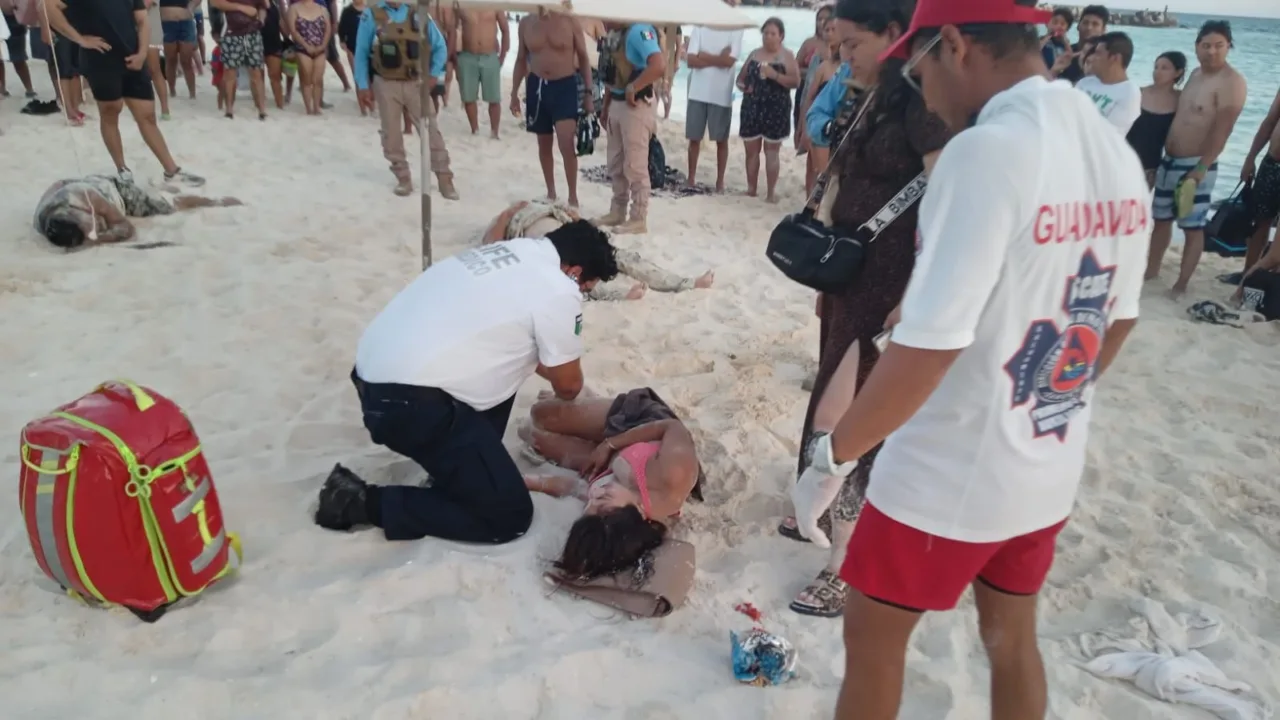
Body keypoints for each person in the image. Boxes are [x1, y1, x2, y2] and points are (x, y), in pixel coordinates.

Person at [798, 1, 1147, 717]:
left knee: (872, 640)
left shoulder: (986, 150)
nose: (919, 92)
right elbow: (1117, 322)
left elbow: (931, 346)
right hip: (1047, 464)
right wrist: (1039, 406)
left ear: (953, 45)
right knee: (1010, 639)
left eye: (917, 69)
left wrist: (832, 459)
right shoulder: (1112, 147)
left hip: (947, 473)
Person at [777, 0, 950, 619]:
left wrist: (917, 290)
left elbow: (947, 201)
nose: (840, 55)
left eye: (851, 43)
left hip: (893, 283)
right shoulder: (864, 91)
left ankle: (846, 560)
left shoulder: (919, 102)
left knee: (856, 417)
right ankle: (817, 510)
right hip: (851, 275)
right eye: (835, 43)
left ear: (892, 36)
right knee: (830, 395)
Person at [313, 221, 621, 545]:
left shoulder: (511, 250)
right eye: (586, 288)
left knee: (514, 359)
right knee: (509, 517)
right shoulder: (558, 288)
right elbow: (568, 387)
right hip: (406, 405)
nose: (582, 294)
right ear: (574, 271)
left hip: (374, 379)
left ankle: (456, 474)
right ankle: (358, 502)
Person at [521, 389, 701, 581]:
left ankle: (583, 414)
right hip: (641, 425)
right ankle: (589, 400)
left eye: (591, 506)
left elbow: (572, 487)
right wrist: (610, 445)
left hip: (609, 460)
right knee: (540, 413)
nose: (596, 496)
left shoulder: (605, 509)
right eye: (603, 502)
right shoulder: (671, 478)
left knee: (529, 433)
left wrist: (524, 481)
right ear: (635, 517)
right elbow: (672, 427)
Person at [43, 0, 204, 185]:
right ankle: (122, 169)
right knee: (110, 112)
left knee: (148, 116)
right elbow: (48, 6)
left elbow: (143, 20)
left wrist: (142, 53)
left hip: (132, 56)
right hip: (100, 59)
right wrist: (79, 39)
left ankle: (171, 170)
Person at [1147, 20, 1247, 298]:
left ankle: (1181, 284)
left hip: (1196, 165)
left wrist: (1202, 167)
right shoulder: (1194, 74)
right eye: (1206, 45)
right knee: (1161, 219)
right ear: (1196, 46)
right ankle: (1151, 271)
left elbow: (1223, 129)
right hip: (1170, 161)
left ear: (1229, 47)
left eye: (1219, 46)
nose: (1212, 52)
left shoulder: (1232, 82)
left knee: (1192, 227)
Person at [481, 199, 714, 301]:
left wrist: (572, 216)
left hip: (570, 236)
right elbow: (490, 245)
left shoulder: (548, 207)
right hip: (551, 244)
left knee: (624, 259)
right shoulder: (515, 219)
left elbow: (582, 230)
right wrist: (507, 215)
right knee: (578, 283)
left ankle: (686, 282)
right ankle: (623, 295)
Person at [353, 0, 458, 199]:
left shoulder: (418, 13)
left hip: (415, 82)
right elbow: (361, 52)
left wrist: (434, 74)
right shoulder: (371, 15)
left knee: (431, 132)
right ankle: (403, 177)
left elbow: (439, 46)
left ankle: (445, 179)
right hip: (385, 83)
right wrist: (363, 85)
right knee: (391, 135)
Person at [511, 11, 594, 209]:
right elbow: (521, 58)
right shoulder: (526, 23)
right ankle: (551, 192)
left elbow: (583, 58)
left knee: (566, 143)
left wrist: (589, 93)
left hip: (564, 85)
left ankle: (573, 196)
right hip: (537, 85)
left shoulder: (570, 21)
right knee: (543, 143)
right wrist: (514, 92)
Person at [34, 173, 239, 249]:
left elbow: (125, 228)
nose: (92, 229)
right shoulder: (41, 220)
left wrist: (97, 239)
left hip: (114, 189)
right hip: (77, 182)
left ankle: (212, 201)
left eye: (89, 224)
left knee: (167, 207)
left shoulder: (84, 196)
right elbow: (56, 183)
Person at [735, 18, 799, 203]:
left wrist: (775, 75)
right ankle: (751, 189)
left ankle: (771, 193)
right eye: (765, 33)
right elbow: (741, 78)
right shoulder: (755, 54)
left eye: (772, 34)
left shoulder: (787, 56)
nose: (768, 37)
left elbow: (795, 82)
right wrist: (743, 87)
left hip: (776, 108)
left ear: (781, 36)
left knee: (772, 152)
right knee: (751, 151)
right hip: (752, 106)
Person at [684, 13, 744, 193]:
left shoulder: (735, 28)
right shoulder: (701, 25)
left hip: (721, 93)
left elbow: (729, 61)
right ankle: (691, 177)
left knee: (721, 140)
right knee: (694, 138)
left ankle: (720, 181)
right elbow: (691, 60)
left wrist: (705, 56)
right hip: (697, 91)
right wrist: (718, 59)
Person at [797, 16, 842, 196]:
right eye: (827, 30)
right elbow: (809, 98)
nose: (830, 33)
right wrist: (804, 127)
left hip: (841, 123)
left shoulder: (850, 66)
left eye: (833, 29)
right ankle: (811, 203)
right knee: (813, 167)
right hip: (820, 121)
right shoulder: (823, 66)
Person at [1126, 51, 1184, 188]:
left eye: (1164, 68)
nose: (1157, 72)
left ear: (1178, 72)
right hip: (1125, 159)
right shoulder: (1138, 93)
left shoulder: (1182, 101)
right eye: (1156, 67)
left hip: (1151, 168)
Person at [1240, 85, 1280, 275]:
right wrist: (1251, 158)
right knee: (1260, 220)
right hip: (1271, 162)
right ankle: (1248, 272)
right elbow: (1269, 122)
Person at [453, 10, 507, 138]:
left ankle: (495, 132)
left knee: (494, 98)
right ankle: (474, 129)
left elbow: (505, 29)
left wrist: (503, 56)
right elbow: (452, 29)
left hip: (489, 55)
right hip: (467, 55)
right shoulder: (463, 4)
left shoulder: (494, 4)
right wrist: (454, 54)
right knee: (468, 97)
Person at [212, 0, 268, 119]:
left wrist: (261, 20)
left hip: (252, 33)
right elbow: (215, 2)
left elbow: (263, 6)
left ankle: (262, 109)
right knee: (229, 73)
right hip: (230, 34)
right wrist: (241, 7)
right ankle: (229, 109)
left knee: (256, 72)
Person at [1075, 31, 1139, 135]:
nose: (1091, 58)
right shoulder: (1084, 83)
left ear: (1115, 58)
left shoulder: (1129, 92)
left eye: (1098, 53)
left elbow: (1109, 135)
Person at [794, 3, 833, 153]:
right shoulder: (809, 43)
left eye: (826, 19)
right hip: (805, 91)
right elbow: (795, 68)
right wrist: (813, 72)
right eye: (819, 19)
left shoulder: (838, 46)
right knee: (804, 140)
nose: (822, 22)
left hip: (825, 94)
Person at [286, 0, 328, 115]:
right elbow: (293, 30)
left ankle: (316, 107)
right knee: (306, 79)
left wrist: (323, 45)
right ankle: (308, 108)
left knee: (317, 80)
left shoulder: (322, 9)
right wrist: (306, 46)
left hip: (320, 48)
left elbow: (327, 30)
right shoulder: (294, 8)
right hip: (303, 49)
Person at [1055, 3, 1106, 85]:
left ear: (1103, 30)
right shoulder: (1063, 53)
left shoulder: (1105, 59)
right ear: (1078, 26)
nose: (1089, 28)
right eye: (1085, 23)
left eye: (1095, 24)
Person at [158, 0, 196, 99]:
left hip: (185, 21)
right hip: (166, 22)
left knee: (186, 60)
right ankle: (172, 90)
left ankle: (192, 93)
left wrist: (191, 8)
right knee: (171, 59)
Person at [1, 0, 37, 98]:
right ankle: (2, 89)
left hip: (14, 17)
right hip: (8, 16)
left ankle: (29, 88)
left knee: (18, 57)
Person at [144, 0, 172, 119]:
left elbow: (146, 5)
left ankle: (165, 109)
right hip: (131, 29)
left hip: (150, 29)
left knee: (154, 69)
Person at [337, 0, 362, 111]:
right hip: (352, 47)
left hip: (369, 47)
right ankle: (362, 105)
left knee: (370, 77)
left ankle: (370, 100)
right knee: (357, 75)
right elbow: (341, 28)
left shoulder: (370, 10)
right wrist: (342, 41)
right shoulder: (347, 11)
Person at [261, 0, 286, 109]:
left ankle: (279, 103)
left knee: (275, 75)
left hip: (274, 41)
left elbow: (278, 22)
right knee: (258, 76)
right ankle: (260, 103)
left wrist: (286, 37)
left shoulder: (274, 3)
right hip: (257, 41)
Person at [1039, 6, 1071, 72]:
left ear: (1067, 29)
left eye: (1062, 24)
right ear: (1046, 24)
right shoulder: (1041, 40)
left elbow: (1070, 56)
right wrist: (1048, 36)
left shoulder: (1065, 44)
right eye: (1055, 22)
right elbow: (1035, 51)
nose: (1058, 26)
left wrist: (1065, 41)